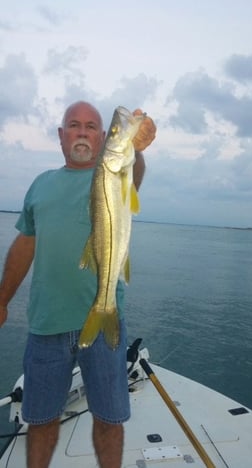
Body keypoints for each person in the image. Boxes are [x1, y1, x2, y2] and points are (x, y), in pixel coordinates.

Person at [0, 101, 156, 468]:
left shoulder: (111, 172)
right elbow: (25, 244)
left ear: (102, 139)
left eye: (92, 127)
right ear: (61, 135)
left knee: (109, 419)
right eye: (74, 125)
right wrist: (3, 298)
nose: (82, 132)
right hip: (45, 326)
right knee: (39, 422)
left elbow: (133, 174)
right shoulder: (41, 185)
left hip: (105, 327)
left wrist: (137, 146)